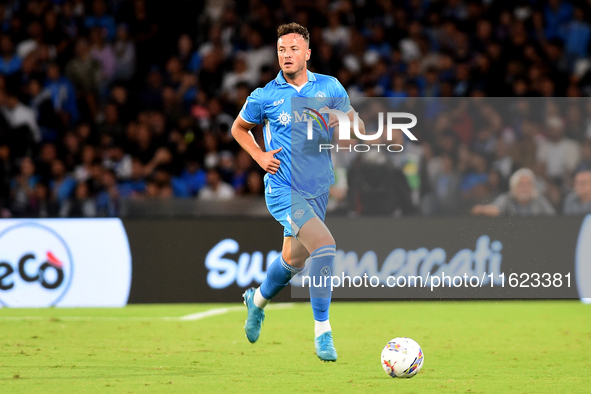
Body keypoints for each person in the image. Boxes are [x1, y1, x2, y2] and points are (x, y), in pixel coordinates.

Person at [230, 23, 364, 362]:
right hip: (282, 189)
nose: (286, 55)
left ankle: (257, 301)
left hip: (317, 189)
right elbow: (239, 128)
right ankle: (323, 333)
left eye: (293, 49)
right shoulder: (265, 95)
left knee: (295, 259)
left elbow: (357, 126)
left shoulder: (329, 87)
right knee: (325, 246)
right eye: (281, 50)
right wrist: (259, 155)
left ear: (307, 53)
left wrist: (343, 121)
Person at [471, 168, 555, 216]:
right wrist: (482, 209)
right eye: (520, 184)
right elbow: (495, 209)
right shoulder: (507, 198)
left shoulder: (539, 200)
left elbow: (552, 218)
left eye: (528, 184)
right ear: (514, 186)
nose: (524, 187)